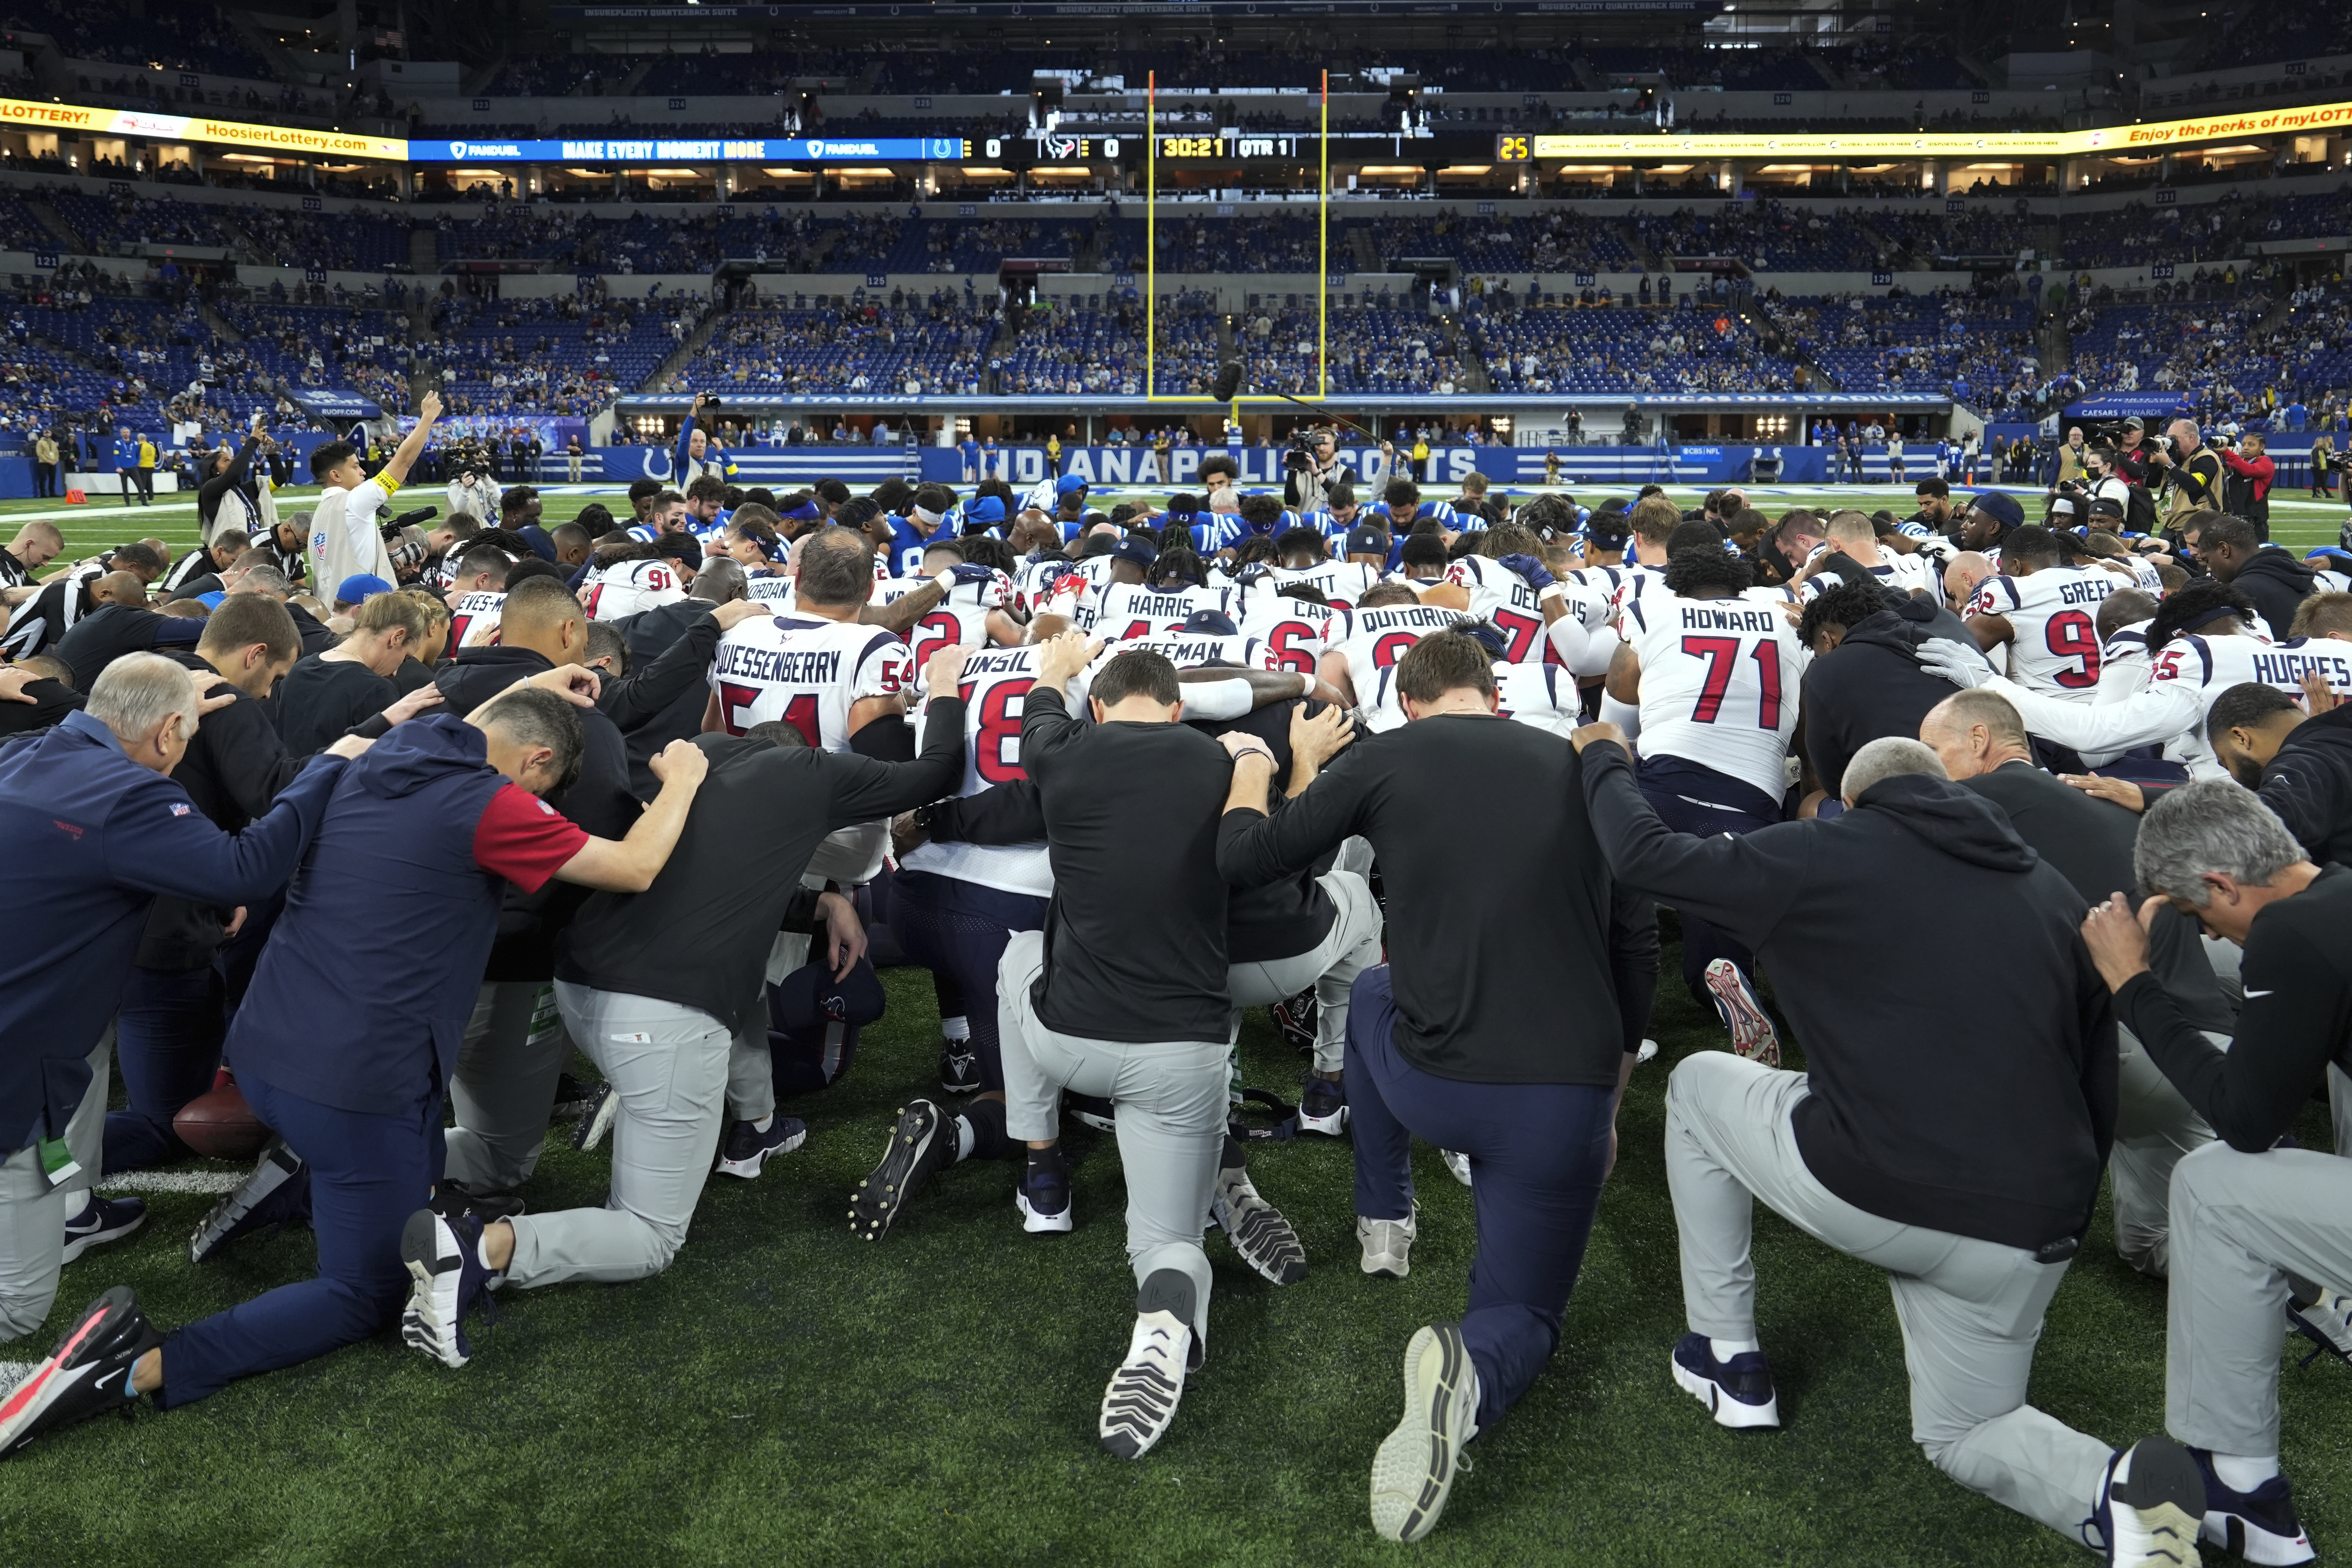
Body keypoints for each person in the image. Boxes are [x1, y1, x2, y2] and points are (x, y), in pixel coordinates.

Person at [0, 680, 710, 1444]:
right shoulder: (490, 801)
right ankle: (132, 1366)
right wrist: (686, 780)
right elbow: (634, 866)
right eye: (543, 785)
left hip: (265, 1054)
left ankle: (297, 1177)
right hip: (354, 1082)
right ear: (534, 760)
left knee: (392, 1165)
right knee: (365, 1292)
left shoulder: (360, 762)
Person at [1573, 727, 2211, 1567]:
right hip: (2035, 1217)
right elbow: (2093, 1075)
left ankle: (1727, 1360)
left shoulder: (1821, 848)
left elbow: (1642, 854)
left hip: (1883, 1182)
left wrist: (1602, 756)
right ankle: (2112, 1493)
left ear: (1850, 799)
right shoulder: (2047, 887)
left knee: (1695, 1085)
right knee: (1966, 1430)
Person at [394, 644, 975, 1370]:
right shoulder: (814, 770)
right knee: (648, 1235)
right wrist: (945, 686)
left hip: (576, 986)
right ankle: (484, 1250)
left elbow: (700, 860)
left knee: (506, 1150)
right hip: (663, 1013)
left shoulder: (697, 754)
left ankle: (352, 1161)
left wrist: (816, 901)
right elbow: (933, 773)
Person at [1219, 631, 1645, 1542]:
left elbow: (1251, 859)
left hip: (1434, 1078)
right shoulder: (1582, 766)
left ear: (1407, 701)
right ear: (1493, 693)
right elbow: (1634, 941)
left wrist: (1263, 771)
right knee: (1521, 1312)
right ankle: (1472, 1365)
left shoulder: (1385, 755)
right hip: (1563, 1092)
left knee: (1375, 985)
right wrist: (1610, 1101)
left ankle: (1385, 1218)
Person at [0, 654, 355, 1348]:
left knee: (83, 1082)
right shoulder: (129, 796)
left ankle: (70, 1206)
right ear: (167, 734)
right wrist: (326, 767)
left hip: (35, 1024)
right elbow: (249, 865)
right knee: (18, 1307)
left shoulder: (21, 754)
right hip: (18, 1062)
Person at [984, 632, 1253, 1462]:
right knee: (1166, 1240)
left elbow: (1039, 707)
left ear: (1098, 708)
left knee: (1016, 955)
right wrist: (1255, 763)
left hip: (1071, 1040)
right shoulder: (1220, 763)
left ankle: (1043, 1170)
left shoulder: (1063, 751)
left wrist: (1057, 667)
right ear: (1177, 709)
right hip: (1185, 1050)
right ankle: (1163, 1322)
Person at [2080, 781, 2352, 1561]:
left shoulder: (2294, 931)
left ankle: (2240, 1484)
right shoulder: (2337, 892)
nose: (2220, 944)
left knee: (2210, 1184)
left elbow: (2245, 1121)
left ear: (2225, 884)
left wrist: (2135, 988)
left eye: (2204, 919)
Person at [1921, 689, 2232, 1277]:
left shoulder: (1985, 796)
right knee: (2150, 1242)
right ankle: (2294, 1277)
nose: (1929, 767)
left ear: (1980, 740)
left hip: (2132, 1055)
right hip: (2209, 1048)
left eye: (1935, 750)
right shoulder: (2105, 800)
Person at [1605, 544, 1801, 1057]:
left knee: (1627, 866)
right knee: (1721, 884)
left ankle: (1608, 980)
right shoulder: (1783, 617)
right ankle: (1728, 974)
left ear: (1678, 584)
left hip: (1664, 782)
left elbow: (1620, 687)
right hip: (1753, 794)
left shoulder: (1656, 608)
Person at [308, 391, 443, 599]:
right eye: (355, 467)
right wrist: (428, 418)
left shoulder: (318, 516)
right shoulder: (353, 502)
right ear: (336, 475)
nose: (362, 472)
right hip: (362, 615)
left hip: (332, 614)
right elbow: (404, 461)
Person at [2182, 513, 2312, 641]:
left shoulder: (2241, 592)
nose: (2209, 568)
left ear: (2224, 550)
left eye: (2208, 560)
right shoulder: (2301, 577)